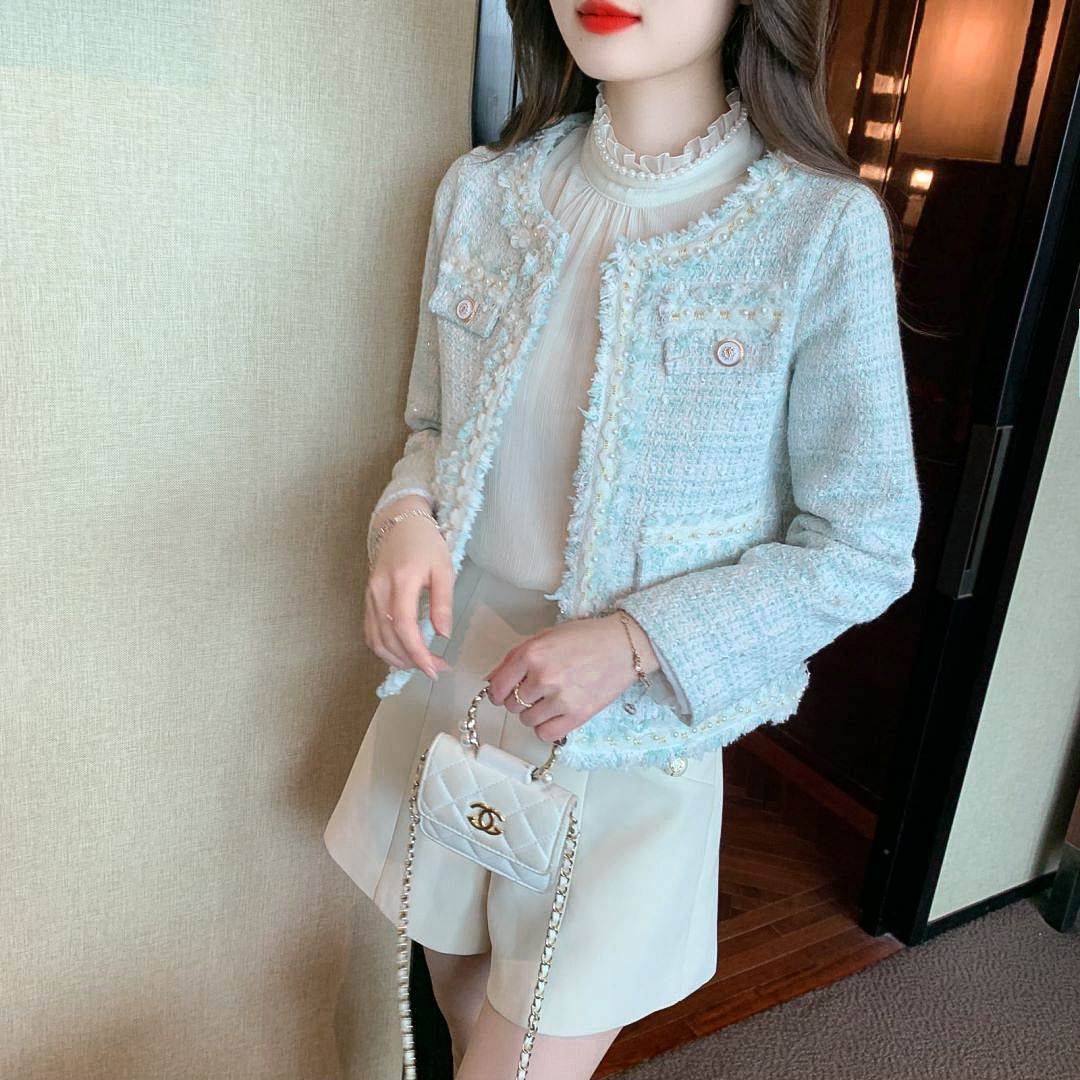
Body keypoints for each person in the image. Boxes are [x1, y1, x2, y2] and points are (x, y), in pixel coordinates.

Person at [323, 0, 922, 1077]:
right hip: (453, 696)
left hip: (632, 741)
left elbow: (864, 542)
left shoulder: (816, 230)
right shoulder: (483, 194)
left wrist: (639, 639)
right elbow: (431, 430)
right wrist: (404, 519)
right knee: (457, 1016)